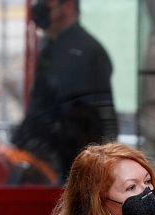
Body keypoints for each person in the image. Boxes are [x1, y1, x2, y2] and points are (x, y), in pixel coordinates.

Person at [13, 0, 117, 184]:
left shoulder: (85, 52)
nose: (40, 8)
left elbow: (94, 120)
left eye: (46, 3)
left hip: (70, 168)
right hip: (48, 162)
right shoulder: (51, 47)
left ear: (68, 6)